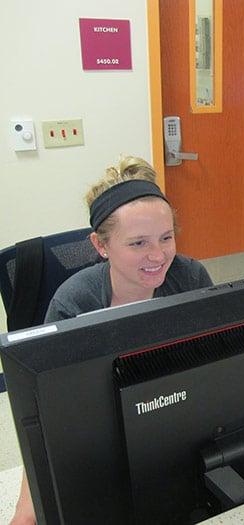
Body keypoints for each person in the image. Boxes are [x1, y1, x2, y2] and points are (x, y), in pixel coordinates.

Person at [10, 155, 213, 525]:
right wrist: (29, 509)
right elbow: (46, 413)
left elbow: (218, 361)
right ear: (101, 246)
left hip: (176, 426)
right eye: (138, 243)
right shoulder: (75, 302)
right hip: (101, 443)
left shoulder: (190, 278)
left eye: (166, 237)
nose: (158, 255)